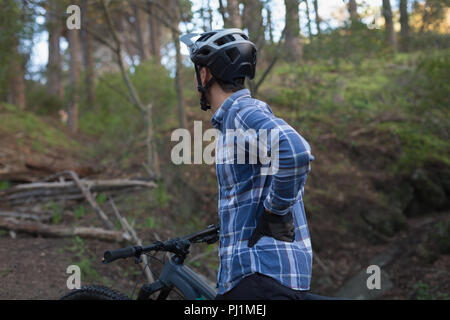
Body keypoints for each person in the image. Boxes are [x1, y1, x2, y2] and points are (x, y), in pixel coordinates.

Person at [181, 28, 314, 300]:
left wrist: (275, 213)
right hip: (271, 276)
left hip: (257, 277)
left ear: (204, 74)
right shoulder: (241, 118)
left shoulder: (239, 113)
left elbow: (295, 151)